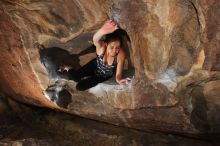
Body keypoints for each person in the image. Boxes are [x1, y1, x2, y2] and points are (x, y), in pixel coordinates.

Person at [59, 20, 131, 91]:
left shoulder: (120, 55)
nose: (115, 51)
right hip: (94, 65)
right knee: (75, 77)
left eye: (117, 48)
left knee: (79, 87)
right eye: (112, 47)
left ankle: (88, 78)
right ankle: (67, 68)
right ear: (106, 44)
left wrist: (119, 80)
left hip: (103, 76)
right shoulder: (102, 48)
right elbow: (95, 40)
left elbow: (118, 75)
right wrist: (102, 31)